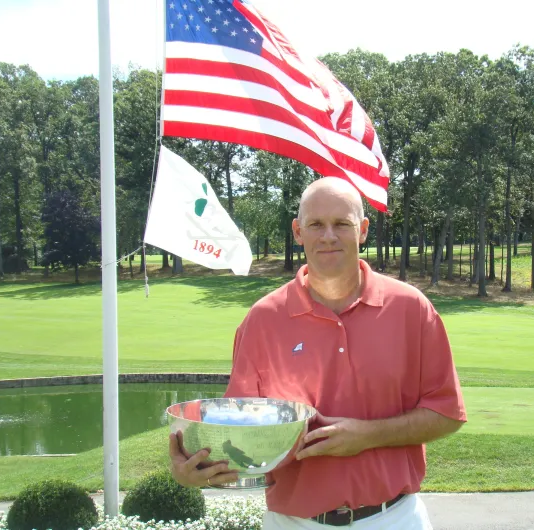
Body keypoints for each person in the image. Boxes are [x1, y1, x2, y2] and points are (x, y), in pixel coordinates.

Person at [170, 177, 467, 529]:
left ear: (363, 230)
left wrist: (367, 436)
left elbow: (447, 413)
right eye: (316, 224)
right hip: (292, 522)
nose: (329, 236)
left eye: (342, 224)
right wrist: (195, 470)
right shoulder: (263, 319)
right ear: (298, 231)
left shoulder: (411, 308)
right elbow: (242, 436)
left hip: (392, 518)